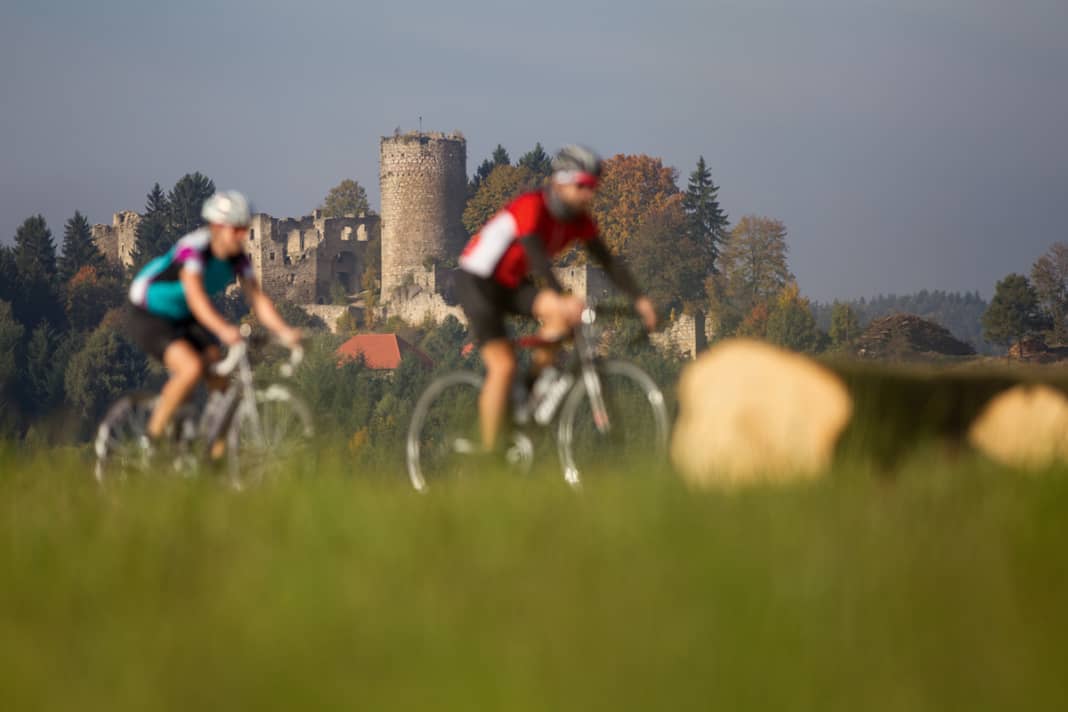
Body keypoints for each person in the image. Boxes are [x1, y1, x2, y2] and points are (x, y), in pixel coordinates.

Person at [456, 145, 657, 453]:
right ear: (562, 183)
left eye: (593, 187)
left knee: (561, 321)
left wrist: (640, 300)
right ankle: (489, 454)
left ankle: (528, 393)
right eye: (583, 186)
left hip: (511, 283)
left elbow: (608, 261)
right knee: (503, 365)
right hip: (478, 280)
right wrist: (561, 296)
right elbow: (536, 255)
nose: (589, 194)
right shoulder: (532, 205)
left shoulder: (579, 221)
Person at [126, 190, 301, 454]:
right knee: (191, 368)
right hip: (149, 309)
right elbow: (196, 297)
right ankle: (150, 443)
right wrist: (224, 330)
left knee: (222, 383)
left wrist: (285, 332)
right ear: (218, 228)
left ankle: (215, 457)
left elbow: (258, 300)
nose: (243, 235)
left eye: (245, 229)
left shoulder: (238, 258)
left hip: (183, 315)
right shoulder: (194, 249)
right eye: (237, 229)